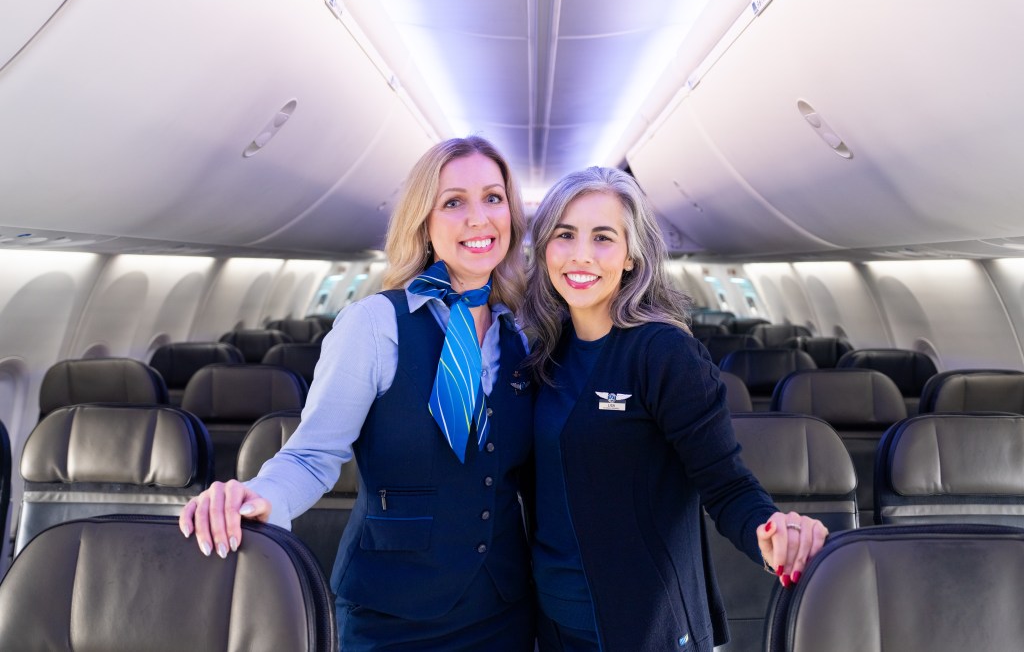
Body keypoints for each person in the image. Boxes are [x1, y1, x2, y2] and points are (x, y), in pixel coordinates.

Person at [179, 136, 536, 651]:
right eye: (453, 202)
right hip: (391, 616)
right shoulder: (374, 325)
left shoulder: (522, 333)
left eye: (494, 198)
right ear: (425, 223)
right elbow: (312, 455)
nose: (478, 218)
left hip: (501, 609)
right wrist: (258, 495)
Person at [519, 166, 828, 652]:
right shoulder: (543, 352)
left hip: (644, 626)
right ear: (545, 249)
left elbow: (726, 484)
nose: (581, 254)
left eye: (603, 237)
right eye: (565, 235)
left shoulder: (663, 353)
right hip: (552, 622)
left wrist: (769, 534)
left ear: (630, 256)